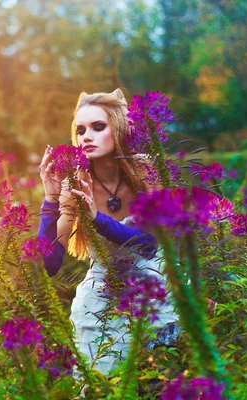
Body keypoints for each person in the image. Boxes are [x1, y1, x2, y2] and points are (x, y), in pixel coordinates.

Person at [37, 88, 179, 375]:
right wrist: (50, 201)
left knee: (157, 378)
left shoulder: (144, 170)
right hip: (101, 295)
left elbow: (149, 244)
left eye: (97, 127)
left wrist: (95, 217)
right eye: (80, 130)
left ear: (118, 128)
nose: (86, 136)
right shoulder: (72, 185)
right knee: (100, 382)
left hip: (152, 281)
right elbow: (50, 265)